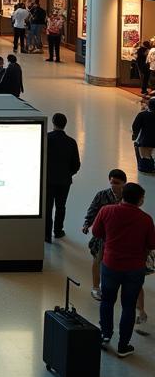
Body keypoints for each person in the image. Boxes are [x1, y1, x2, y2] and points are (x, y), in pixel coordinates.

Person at [90, 182, 155, 357]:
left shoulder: (107, 211)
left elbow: (96, 232)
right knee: (128, 306)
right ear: (140, 200)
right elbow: (151, 244)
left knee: (107, 301)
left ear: (122, 196)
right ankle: (123, 346)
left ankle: (105, 335)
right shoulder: (146, 219)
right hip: (135, 268)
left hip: (110, 265)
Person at [83, 169, 129, 301]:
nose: (114, 185)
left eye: (117, 183)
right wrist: (87, 223)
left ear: (124, 184)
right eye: (112, 182)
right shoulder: (102, 195)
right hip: (102, 234)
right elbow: (93, 209)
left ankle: (108, 284)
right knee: (97, 259)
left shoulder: (127, 198)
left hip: (118, 236)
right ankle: (95, 287)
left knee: (112, 262)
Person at [46, 112, 80, 243]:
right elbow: (76, 164)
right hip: (64, 181)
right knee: (61, 206)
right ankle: (58, 230)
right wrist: (68, 174)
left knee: (47, 207)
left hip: (48, 180)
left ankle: (46, 234)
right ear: (65, 124)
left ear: (53, 123)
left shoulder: (46, 138)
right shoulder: (71, 142)